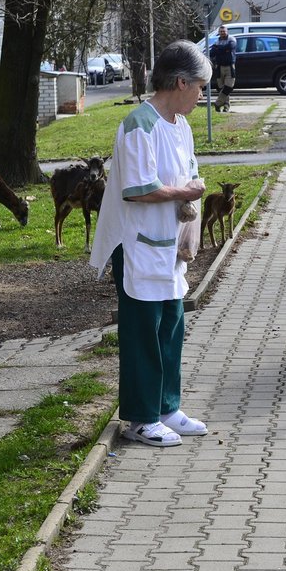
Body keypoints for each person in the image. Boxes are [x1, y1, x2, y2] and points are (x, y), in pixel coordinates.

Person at [89, 40, 212, 447]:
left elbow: (187, 176)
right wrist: (185, 193)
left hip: (168, 245)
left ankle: (167, 408)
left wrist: (189, 206)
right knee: (144, 331)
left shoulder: (181, 126)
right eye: (199, 88)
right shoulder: (138, 125)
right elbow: (138, 190)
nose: (201, 96)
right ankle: (140, 419)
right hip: (138, 246)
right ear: (180, 82)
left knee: (171, 326)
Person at [208, 25, 237, 112]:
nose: (222, 33)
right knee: (221, 88)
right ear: (219, 33)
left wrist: (219, 49)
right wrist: (223, 50)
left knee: (228, 87)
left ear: (227, 31)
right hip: (219, 66)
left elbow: (230, 47)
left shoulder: (232, 39)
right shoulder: (216, 41)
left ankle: (217, 103)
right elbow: (212, 52)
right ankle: (226, 106)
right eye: (221, 31)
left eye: (224, 31)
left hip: (230, 66)